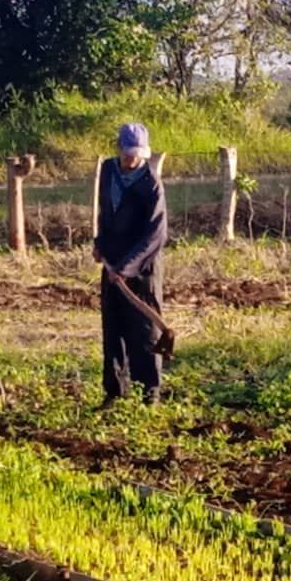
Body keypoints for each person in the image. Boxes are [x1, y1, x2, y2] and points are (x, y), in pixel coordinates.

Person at [93, 123, 168, 406]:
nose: (131, 159)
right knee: (113, 328)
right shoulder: (108, 170)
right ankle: (114, 392)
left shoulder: (151, 183)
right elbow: (105, 213)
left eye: (136, 154)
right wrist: (100, 244)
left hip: (142, 266)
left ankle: (150, 395)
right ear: (119, 149)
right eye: (127, 153)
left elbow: (156, 234)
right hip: (112, 263)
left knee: (144, 330)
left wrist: (127, 268)